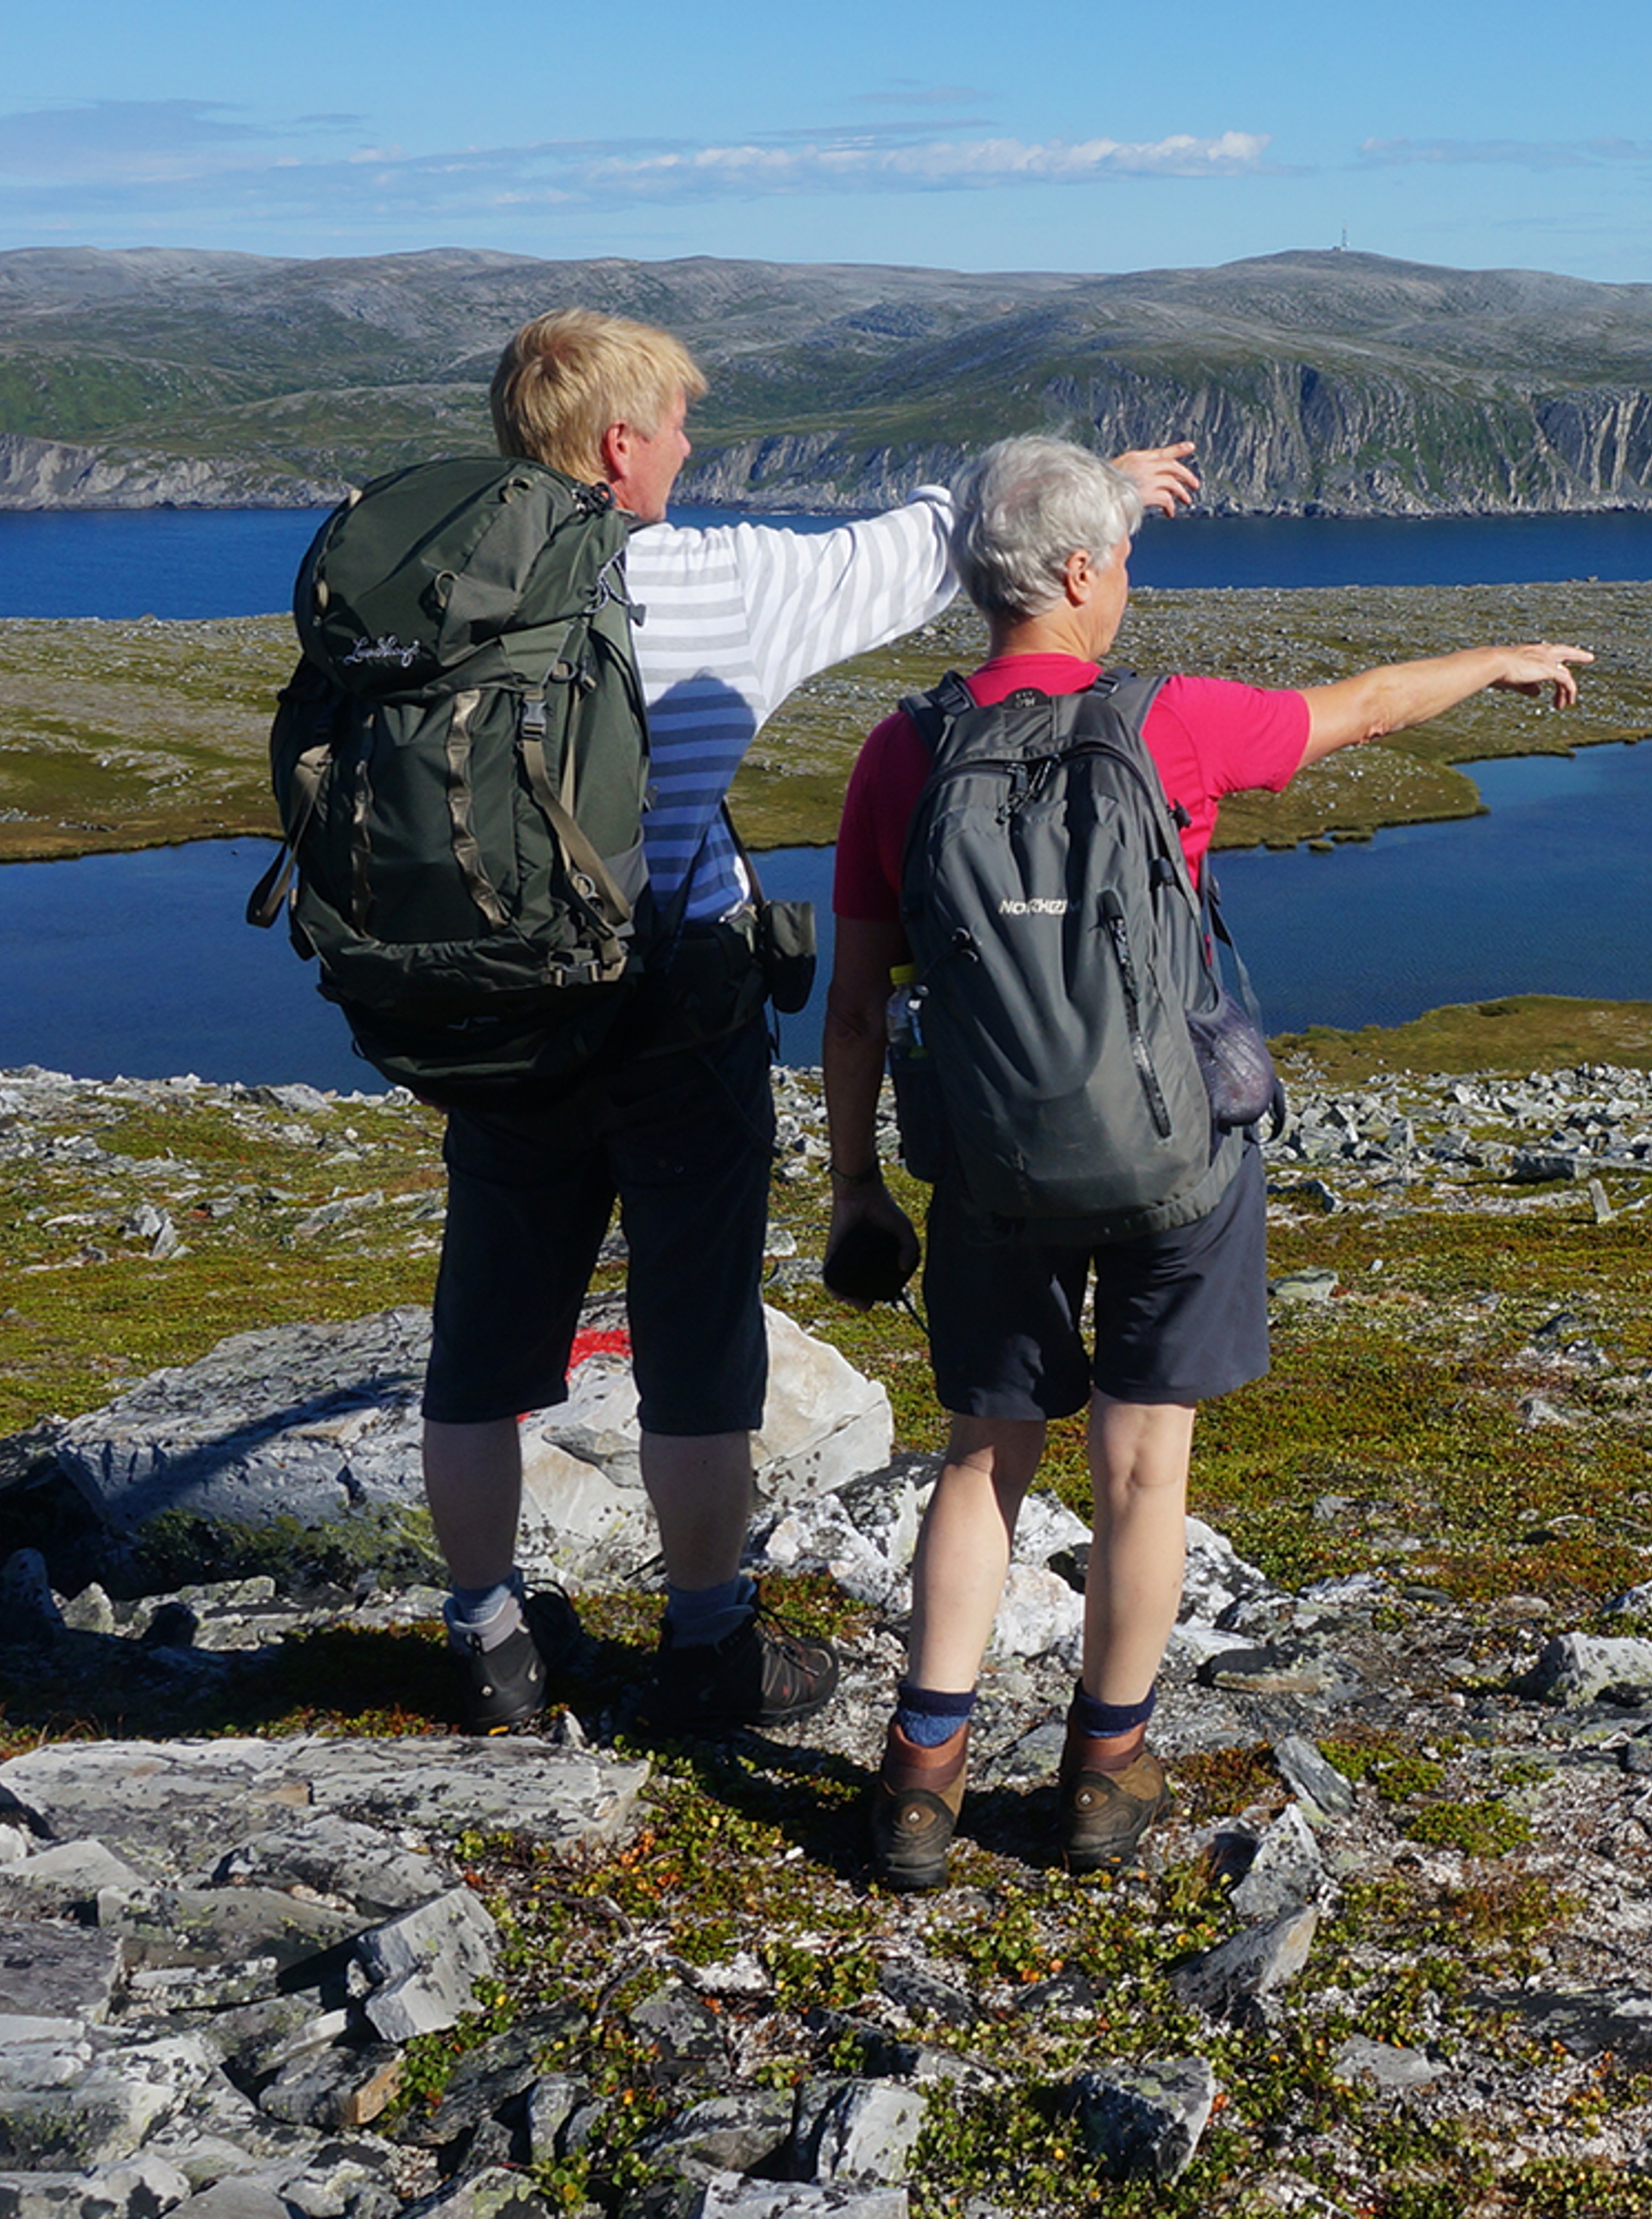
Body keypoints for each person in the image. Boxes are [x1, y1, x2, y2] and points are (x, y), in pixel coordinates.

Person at [822, 433, 1590, 1885]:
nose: (1126, 580)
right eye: (1115, 557)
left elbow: (858, 1004)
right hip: (1177, 1160)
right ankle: (1105, 1774)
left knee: (984, 1460)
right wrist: (1495, 659)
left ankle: (922, 1784)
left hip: (987, 1169)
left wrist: (861, 1187)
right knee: (1142, 1468)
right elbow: (1357, 710)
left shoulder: (901, 753)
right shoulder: (1172, 725)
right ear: (1074, 572)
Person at [423, 312, 1202, 1736]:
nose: (688, 450)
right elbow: (935, 538)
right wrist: (1102, 485)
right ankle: (709, 1642)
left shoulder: (428, 585)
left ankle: (485, 1639)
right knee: (697, 1334)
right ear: (618, 448)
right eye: (676, 428)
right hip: (675, 1005)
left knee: (482, 1338)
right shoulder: (718, 585)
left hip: (494, 1011)